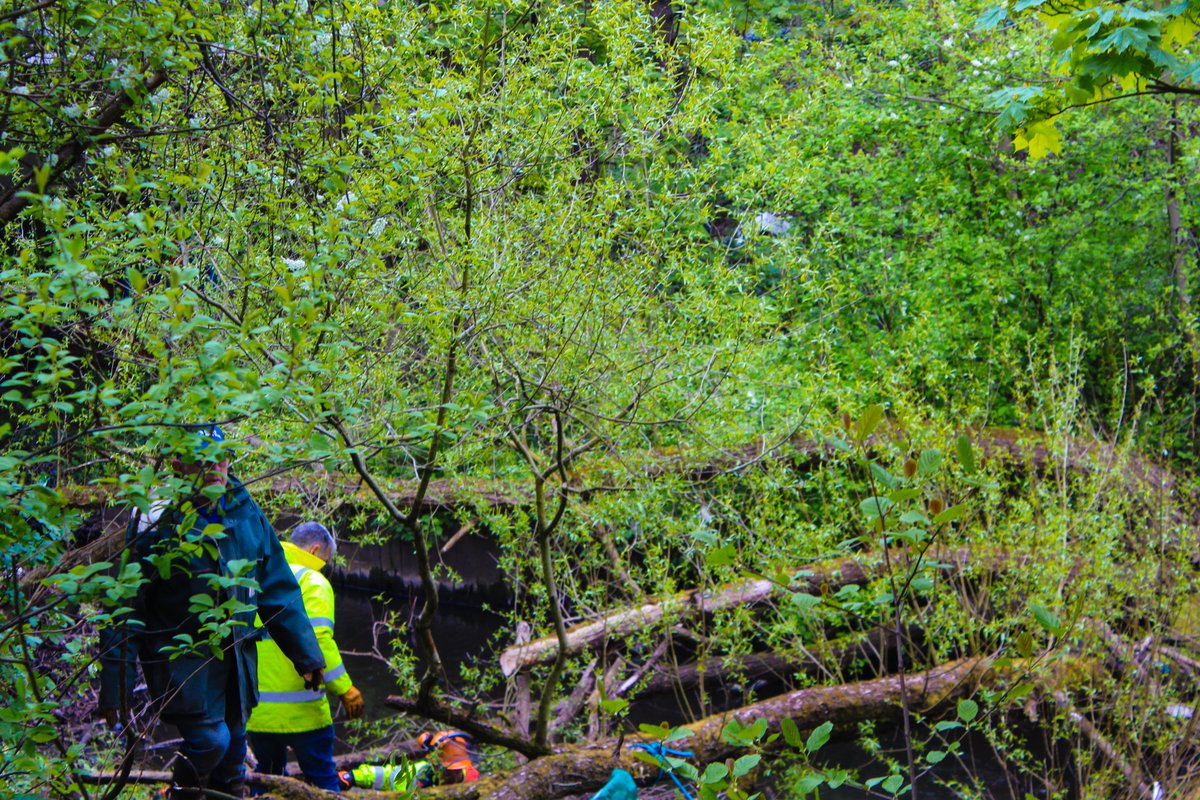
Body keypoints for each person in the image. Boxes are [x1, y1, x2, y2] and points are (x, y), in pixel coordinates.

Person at [99, 427, 326, 800]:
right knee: (211, 740)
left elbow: (276, 586)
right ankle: (178, 796)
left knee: (235, 751)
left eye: (220, 459)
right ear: (178, 465)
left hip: (234, 660)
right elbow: (125, 606)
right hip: (181, 659)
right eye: (202, 462)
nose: (214, 469)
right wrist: (116, 687)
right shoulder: (157, 518)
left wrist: (306, 655)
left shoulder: (243, 509)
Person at [246, 522, 364, 791]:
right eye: (325, 561)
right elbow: (320, 640)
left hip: (259, 709)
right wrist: (345, 689)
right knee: (322, 781)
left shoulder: (257, 573)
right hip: (304, 709)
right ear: (315, 549)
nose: (324, 567)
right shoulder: (312, 582)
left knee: (267, 779)